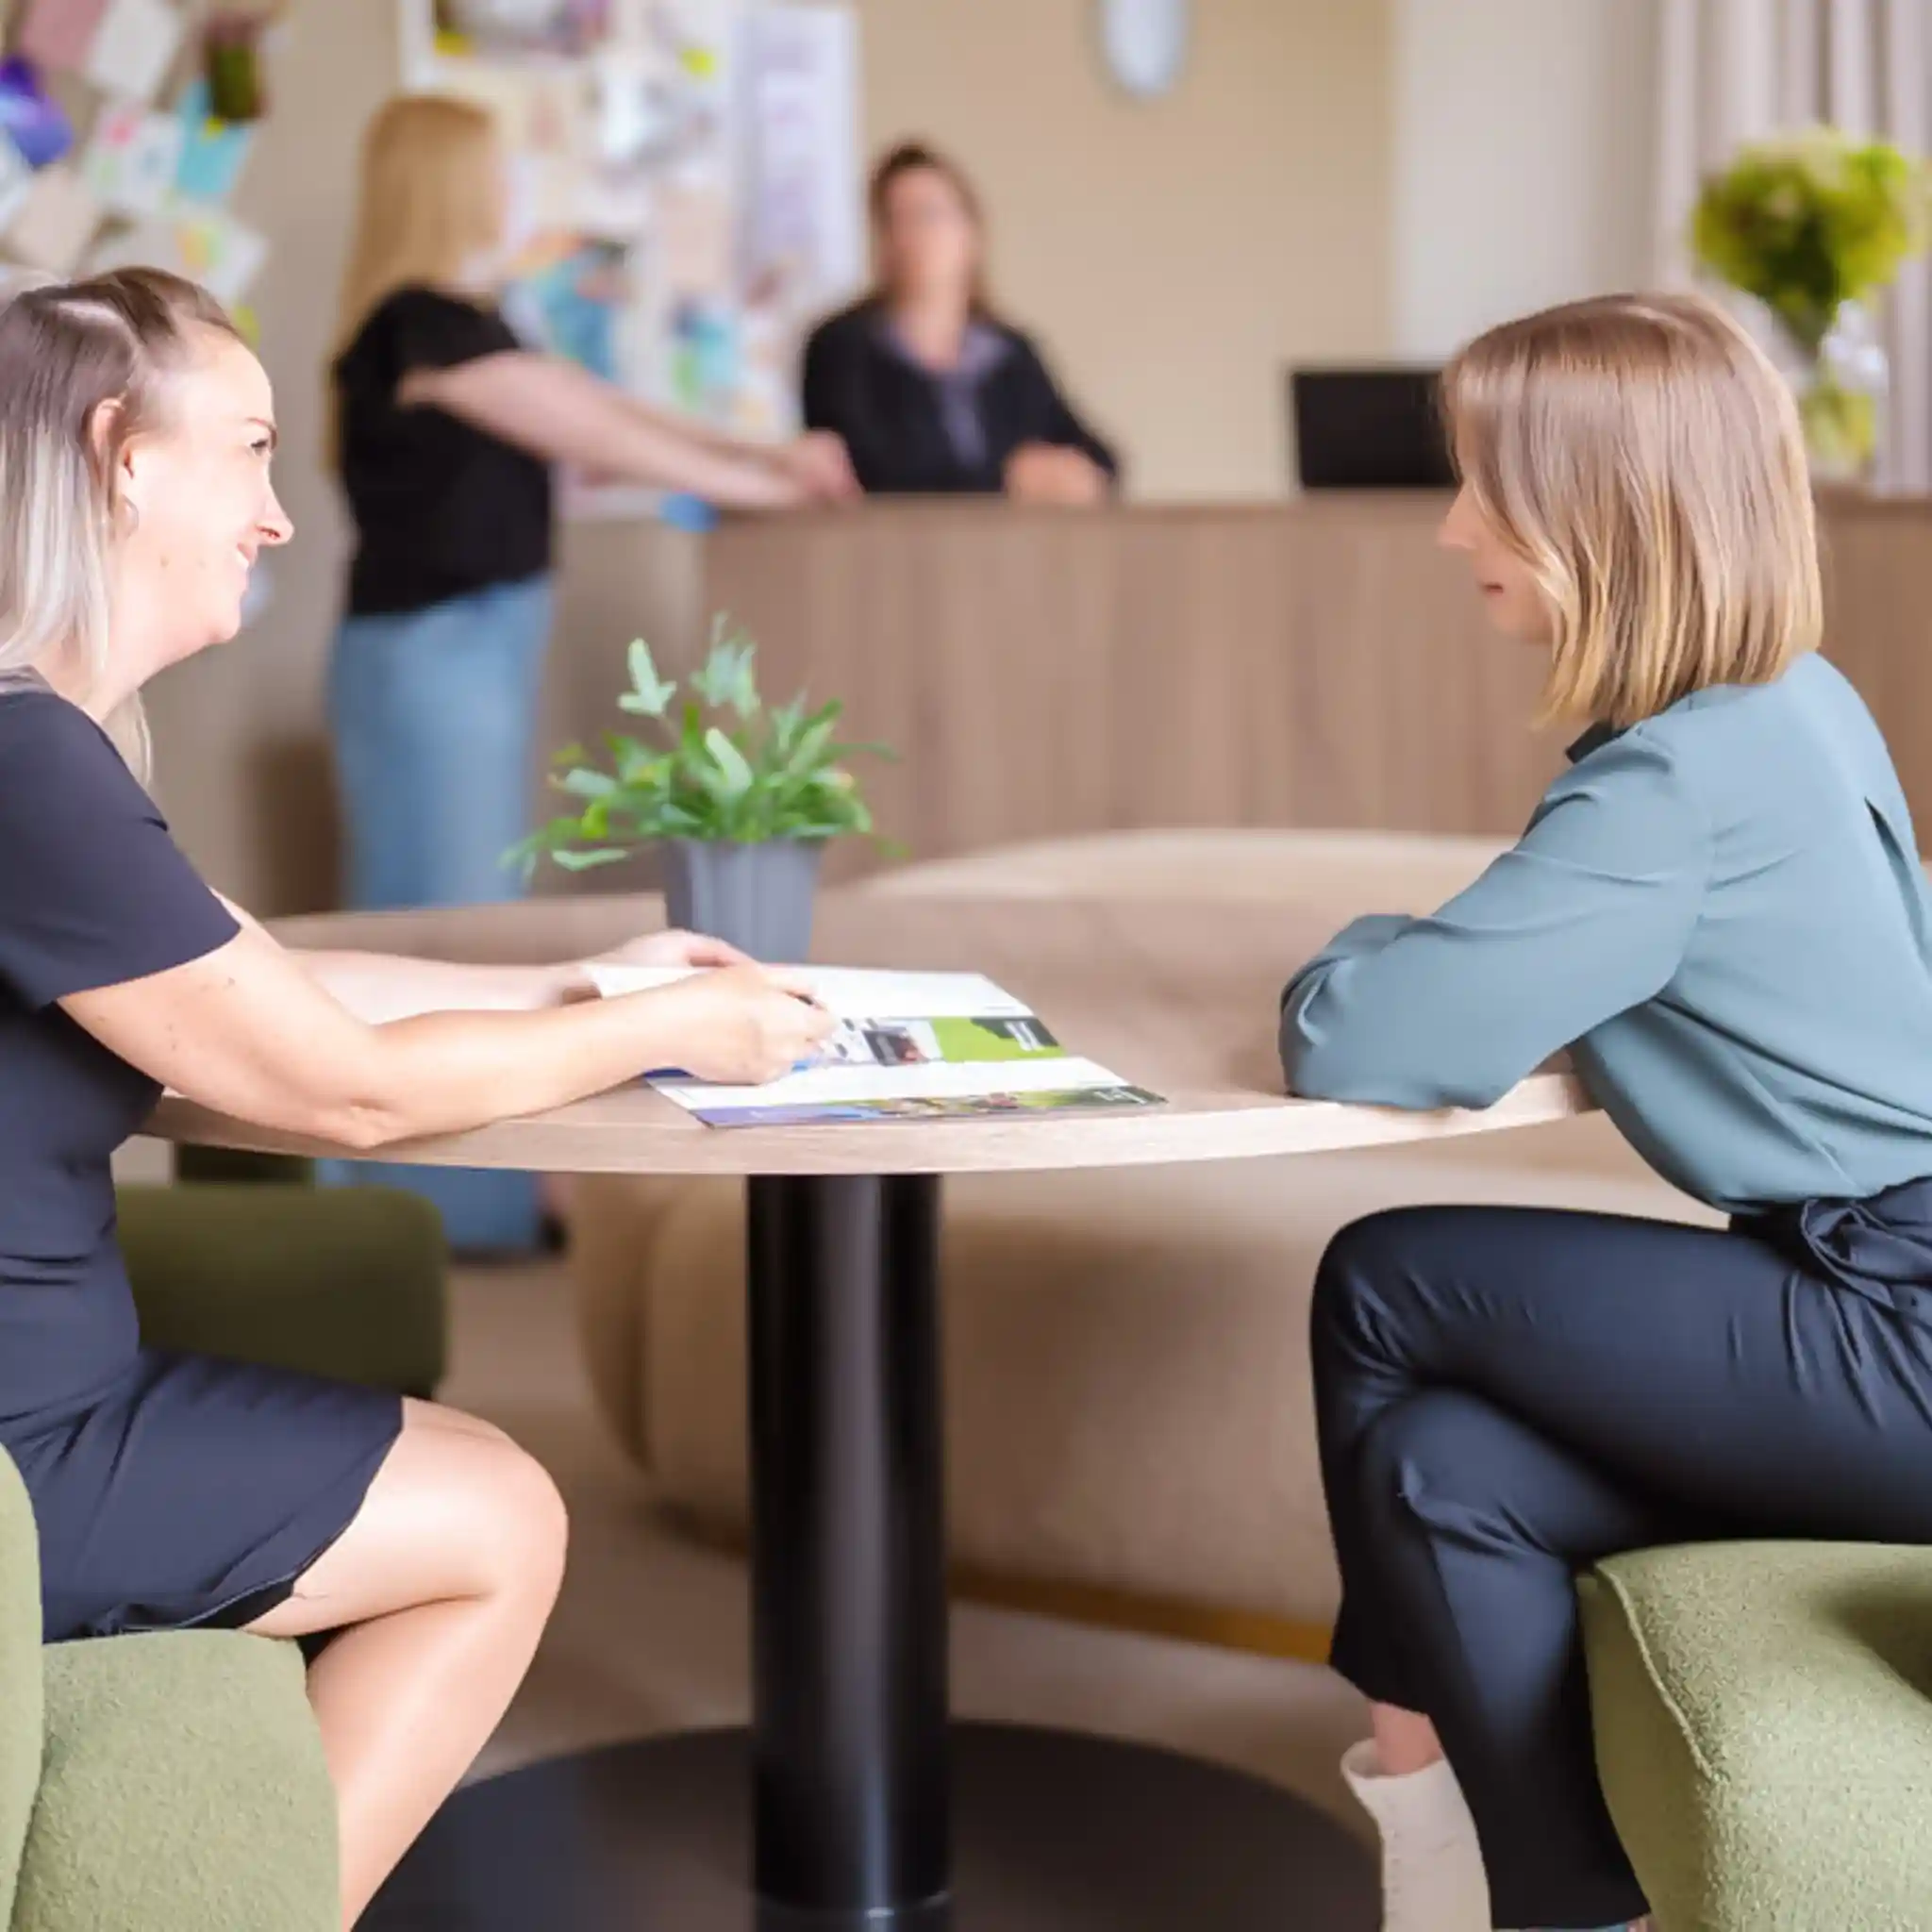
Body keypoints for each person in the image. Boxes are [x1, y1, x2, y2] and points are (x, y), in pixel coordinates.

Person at [0, 266, 833, 1926]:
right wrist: (677, 1032)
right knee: (501, 1514)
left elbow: (272, 979)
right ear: (123, 459)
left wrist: (578, 983)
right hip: (27, 1454)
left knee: (475, 1476)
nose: (277, 514)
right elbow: (353, 1094)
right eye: (249, 451)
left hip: (45, 1401)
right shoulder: (27, 767)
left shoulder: (38, 745)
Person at [1281, 291, 1932, 1932]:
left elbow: (1359, 1036)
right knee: (1437, 1467)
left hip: (1899, 1329)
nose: (1453, 530)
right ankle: (1560, 1909)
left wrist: (1363, 946)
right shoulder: (1792, 696)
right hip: (1877, 1298)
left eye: (1487, 488)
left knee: (1383, 1276)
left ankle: (1437, 1844)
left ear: (1606, 510)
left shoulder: (1672, 783)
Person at [326, 93, 855, 1255]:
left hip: (470, 647)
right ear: (445, 182)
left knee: (457, 916)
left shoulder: (471, 323)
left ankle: (436, 1202)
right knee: (445, 929)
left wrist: (762, 459)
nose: (509, 189)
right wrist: (761, 478)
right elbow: (595, 432)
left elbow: (604, 407)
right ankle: (429, 1208)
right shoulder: (415, 325)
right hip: (432, 652)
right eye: (492, 168)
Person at [801, 141, 1119, 500]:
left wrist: (1076, 475)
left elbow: (1099, 458)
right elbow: (868, 473)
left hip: (1015, 537)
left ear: (971, 232)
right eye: (895, 220)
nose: (913, 236)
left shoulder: (1010, 354)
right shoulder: (841, 348)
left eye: (929, 215)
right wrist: (1005, 481)